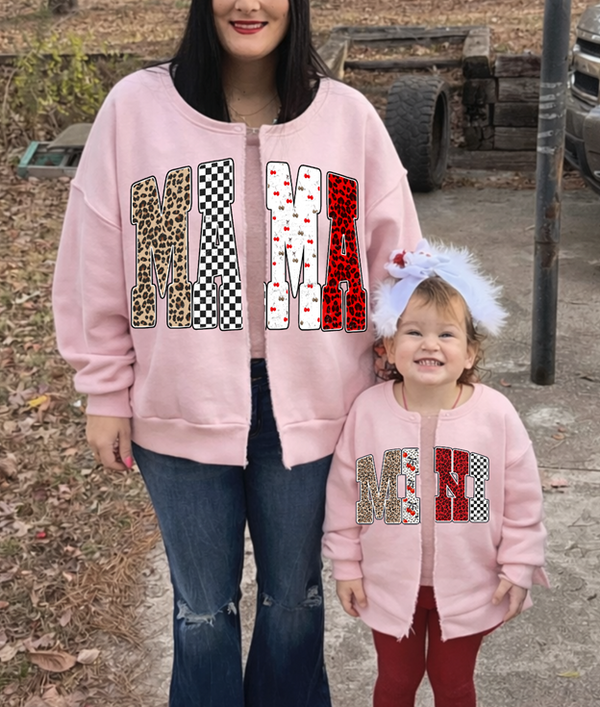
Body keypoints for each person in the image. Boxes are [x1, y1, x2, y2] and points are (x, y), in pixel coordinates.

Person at [51, 1, 423, 705]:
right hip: (179, 403)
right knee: (201, 610)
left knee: (296, 599)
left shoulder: (346, 117)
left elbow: (399, 265)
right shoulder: (137, 109)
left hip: (319, 407)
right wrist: (104, 389)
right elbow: (93, 256)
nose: (249, 4)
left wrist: (405, 385)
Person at [322, 239, 550, 707]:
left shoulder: (495, 415)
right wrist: (346, 566)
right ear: (389, 346)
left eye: (446, 334)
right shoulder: (368, 412)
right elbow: (345, 497)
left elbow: (524, 501)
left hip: (470, 584)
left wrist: (519, 564)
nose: (429, 344)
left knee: (453, 683)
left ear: (470, 353)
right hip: (387, 583)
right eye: (413, 332)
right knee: (395, 680)